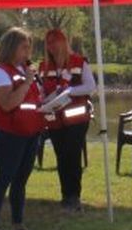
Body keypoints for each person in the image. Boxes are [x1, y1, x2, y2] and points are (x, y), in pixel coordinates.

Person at [0, 27, 45, 230]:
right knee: (4, 178)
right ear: (11, 47)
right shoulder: (0, 72)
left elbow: (33, 100)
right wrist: (27, 82)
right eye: (24, 46)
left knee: (21, 180)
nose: (28, 51)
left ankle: (18, 224)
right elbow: (7, 103)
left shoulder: (23, 70)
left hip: (30, 132)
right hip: (10, 133)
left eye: (29, 46)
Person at [37, 28, 98, 210]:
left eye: (55, 42)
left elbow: (90, 86)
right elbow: (41, 92)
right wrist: (42, 101)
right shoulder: (43, 67)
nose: (52, 46)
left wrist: (70, 91)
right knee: (61, 157)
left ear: (63, 43)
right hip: (54, 119)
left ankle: (74, 196)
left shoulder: (79, 62)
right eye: (48, 43)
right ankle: (65, 195)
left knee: (72, 156)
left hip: (76, 118)